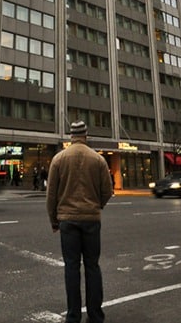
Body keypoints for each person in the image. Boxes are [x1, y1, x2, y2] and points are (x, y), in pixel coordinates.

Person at [46, 121, 114, 323]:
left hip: (67, 219)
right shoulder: (98, 159)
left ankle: (73, 316)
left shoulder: (59, 159)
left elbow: (51, 195)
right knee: (92, 266)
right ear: (86, 135)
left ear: (71, 136)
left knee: (71, 267)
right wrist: (96, 206)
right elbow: (107, 191)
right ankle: (95, 316)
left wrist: (54, 220)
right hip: (91, 218)